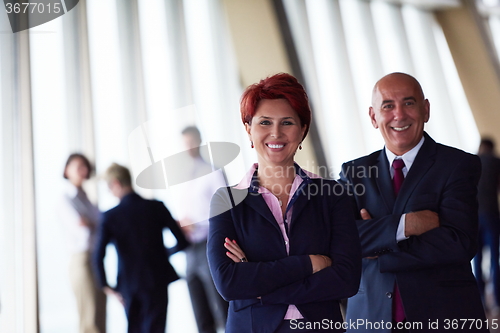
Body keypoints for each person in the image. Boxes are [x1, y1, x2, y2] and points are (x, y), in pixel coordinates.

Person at [207, 73, 362, 333]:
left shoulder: (333, 194)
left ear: (302, 130)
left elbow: (346, 280)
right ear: (249, 129)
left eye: (287, 122)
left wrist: (258, 284)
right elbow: (229, 282)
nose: (275, 133)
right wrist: (309, 264)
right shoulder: (227, 200)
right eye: (265, 122)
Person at [339, 72, 487, 332]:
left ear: (426, 109)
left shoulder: (458, 165)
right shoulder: (354, 172)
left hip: (445, 317)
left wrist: (379, 249)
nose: (399, 115)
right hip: (371, 320)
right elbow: (340, 239)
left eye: (409, 103)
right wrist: (406, 225)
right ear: (374, 117)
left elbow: (458, 243)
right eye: (388, 106)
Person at [93, 163, 189, 333]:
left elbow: (98, 255)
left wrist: (106, 286)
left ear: (115, 183)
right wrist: (164, 254)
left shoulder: (110, 217)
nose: (110, 192)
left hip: (129, 284)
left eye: (109, 187)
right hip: (157, 279)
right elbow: (182, 242)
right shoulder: (157, 207)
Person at [176, 126, 228, 333]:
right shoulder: (181, 178)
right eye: (184, 143)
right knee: (198, 305)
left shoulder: (213, 172)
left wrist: (198, 224)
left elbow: (224, 211)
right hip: (189, 246)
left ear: (199, 141)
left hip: (209, 243)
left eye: (191, 142)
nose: (188, 147)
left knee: (220, 303)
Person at [58, 153, 106, 333]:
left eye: (84, 166)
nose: (82, 170)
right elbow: (83, 231)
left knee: (100, 312)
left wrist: (91, 223)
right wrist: (94, 224)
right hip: (81, 260)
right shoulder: (66, 199)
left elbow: (101, 225)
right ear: (66, 170)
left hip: (95, 258)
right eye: (77, 166)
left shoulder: (87, 198)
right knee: (90, 316)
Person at [473, 138, 500, 310]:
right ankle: (497, 301)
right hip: (491, 215)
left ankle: (481, 300)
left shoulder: (471, 162)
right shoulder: (496, 162)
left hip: (473, 218)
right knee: (494, 260)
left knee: (477, 259)